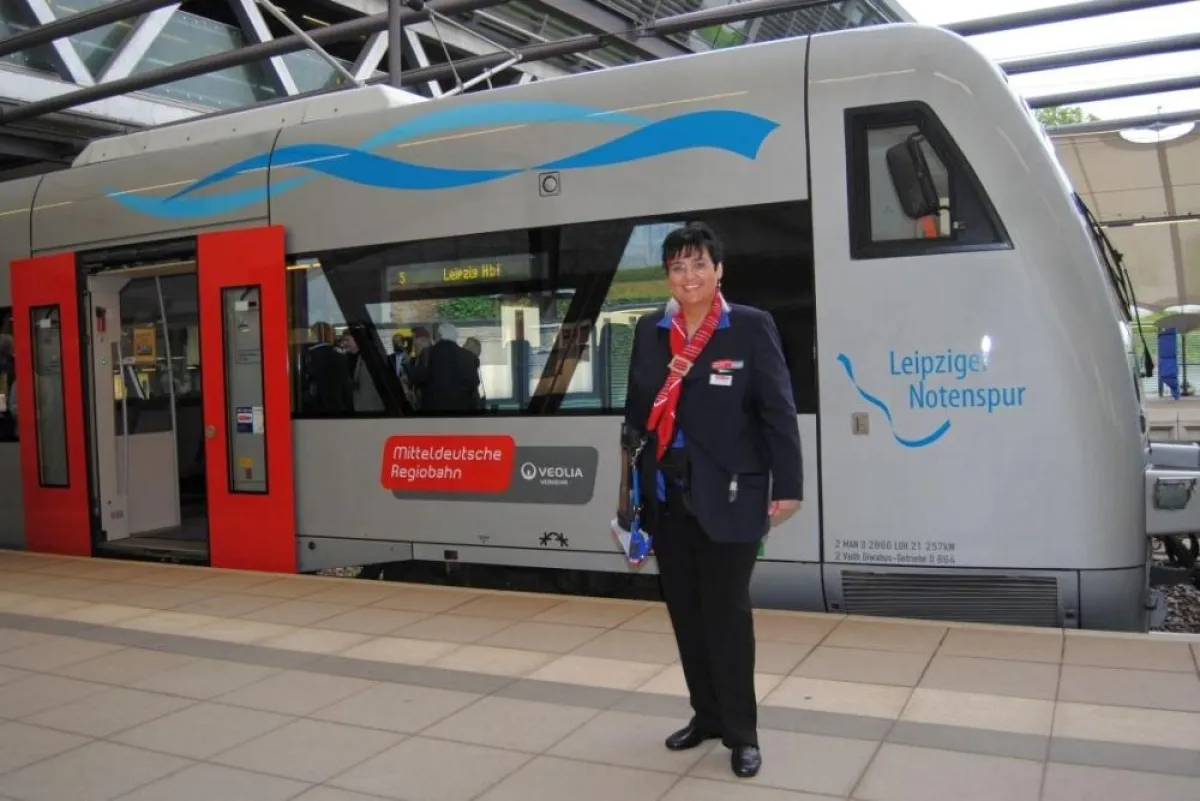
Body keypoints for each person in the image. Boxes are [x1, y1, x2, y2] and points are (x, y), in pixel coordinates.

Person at [623, 221, 802, 779]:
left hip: (731, 494)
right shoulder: (650, 329)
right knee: (686, 613)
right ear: (668, 276)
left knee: (727, 614)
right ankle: (706, 715)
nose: (689, 276)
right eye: (677, 266)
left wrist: (789, 485)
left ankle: (742, 734)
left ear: (718, 269)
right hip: (667, 495)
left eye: (699, 264)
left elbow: (778, 411)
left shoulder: (748, 326)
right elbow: (636, 418)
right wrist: (632, 492)